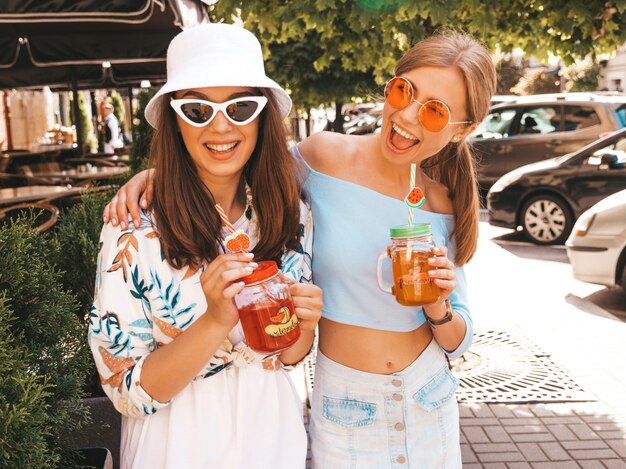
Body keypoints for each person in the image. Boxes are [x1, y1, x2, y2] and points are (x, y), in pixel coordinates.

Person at [104, 31, 496, 468]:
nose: (407, 115)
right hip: (346, 403)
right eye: (404, 90)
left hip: (428, 394)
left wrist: (439, 308)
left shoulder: (443, 201)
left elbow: (458, 340)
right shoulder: (321, 157)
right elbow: (234, 155)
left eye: (436, 111)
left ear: (464, 130)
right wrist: (158, 175)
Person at [88, 24, 322, 469]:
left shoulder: (289, 213)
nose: (221, 126)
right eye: (197, 109)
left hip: (273, 438)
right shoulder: (132, 231)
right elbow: (125, 392)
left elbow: (288, 358)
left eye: (241, 107)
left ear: (262, 116)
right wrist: (215, 320)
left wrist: (304, 327)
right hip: (176, 448)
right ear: (176, 119)